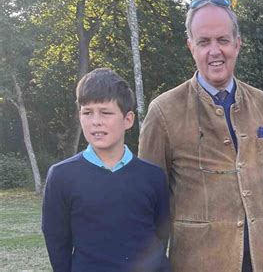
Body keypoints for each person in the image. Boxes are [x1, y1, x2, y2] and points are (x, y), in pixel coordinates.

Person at [138, 0, 263, 272]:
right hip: (198, 262)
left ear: (238, 43)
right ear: (191, 46)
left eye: (223, 40)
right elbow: (150, 203)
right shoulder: (164, 111)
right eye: (204, 42)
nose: (215, 51)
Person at [42, 68, 170, 272]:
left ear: (128, 120)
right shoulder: (61, 176)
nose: (96, 121)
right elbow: (57, 240)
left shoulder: (153, 176)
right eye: (87, 112)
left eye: (106, 112)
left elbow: (162, 232)